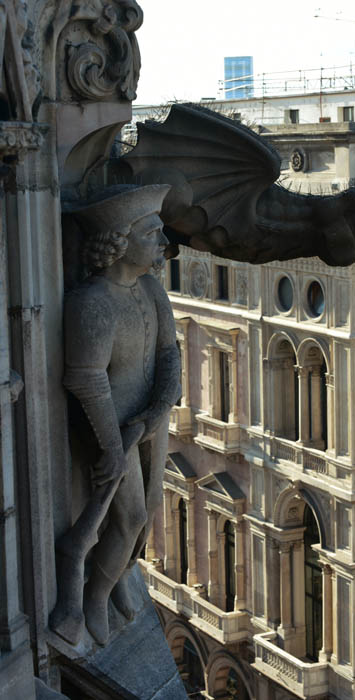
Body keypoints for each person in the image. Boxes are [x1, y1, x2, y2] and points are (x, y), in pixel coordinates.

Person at [50, 184, 181, 646]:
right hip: (108, 426)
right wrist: (111, 444)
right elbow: (86, 380)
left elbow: (170, 354)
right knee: (127, 518)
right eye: (153, 232)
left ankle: (120, 573)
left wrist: (157, 411)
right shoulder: (91, 304)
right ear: (120, 242)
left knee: (148, 514)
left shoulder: (150, 288)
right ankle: (94, 594)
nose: (163, 242)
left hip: (147, 422)